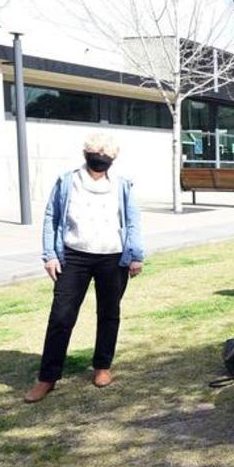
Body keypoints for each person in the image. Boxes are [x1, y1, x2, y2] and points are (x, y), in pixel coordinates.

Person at [25, 133, 144, 403]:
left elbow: (133, 220)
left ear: (113, 159)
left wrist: (136, 255)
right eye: (96, 153)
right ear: (86, 153)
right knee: (61, 316)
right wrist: (49, 256)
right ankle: (47, 378)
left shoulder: (121, 185)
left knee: (109, 313)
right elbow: (51, 217)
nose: (100, 158)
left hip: (112, 258)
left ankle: (102, 367)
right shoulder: (68, 181)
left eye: (106, 155)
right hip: (73, 256)